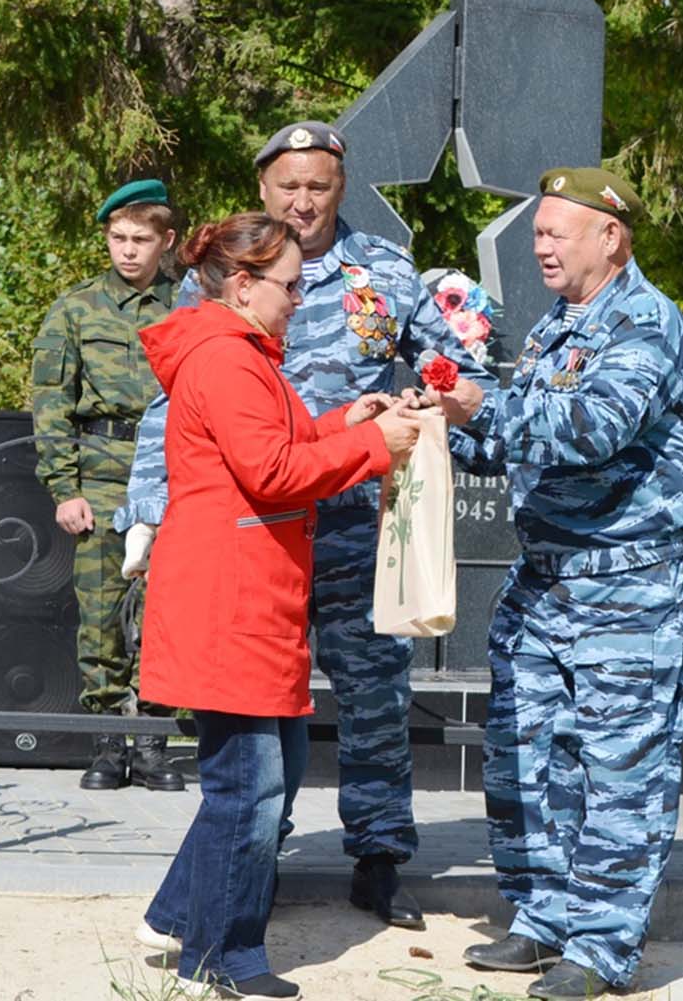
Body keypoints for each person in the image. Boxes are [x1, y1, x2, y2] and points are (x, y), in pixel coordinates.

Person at [117, 121, 494, 927]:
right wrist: (149, 506)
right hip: (256, 528)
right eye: (289, 185)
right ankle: (257, 855)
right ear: (264, 189)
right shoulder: (230, 269)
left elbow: (451, 363)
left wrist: (440, 398)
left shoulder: (384, 271)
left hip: (356, 522)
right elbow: (172, 398)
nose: (303, 200)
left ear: (340, 186)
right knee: (261, 710)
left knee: (375, 694)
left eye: (318, 185)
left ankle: (381, 855)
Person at [133, 212, 425, 1000]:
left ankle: (173, 914)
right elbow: (270, 472)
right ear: (243, 285)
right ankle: (222, 955)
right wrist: (374, 449)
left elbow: (282, 448)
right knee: (251, 785)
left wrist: (347, 421)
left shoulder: (245, 356)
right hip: (232, 602)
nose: (301, 299)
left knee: (273, 768)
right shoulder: (228, 362)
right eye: (290, 286)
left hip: (252, 597)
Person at [458, 167, 683, 1000]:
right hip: (546, 585)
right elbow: (510, 442)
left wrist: (480, 409)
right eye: (536, 231)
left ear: (610, 236)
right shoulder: (554, 328)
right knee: (530, 757)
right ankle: (542, 919)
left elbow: (592, 429)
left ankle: (602, 947)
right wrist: (427, 427)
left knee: (619, 769)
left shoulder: (646, 323)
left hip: (630, 588)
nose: (539, 244)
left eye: (554, 231)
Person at [30, 179, 182, 792]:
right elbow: (49, 403)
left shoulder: (190, 307)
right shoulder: (76, 308)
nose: (127, 251)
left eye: (141, 239)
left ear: (165, 241)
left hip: (171, 475)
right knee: (98, 614)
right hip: (97, 472)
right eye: (117, 238)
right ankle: (107, 746)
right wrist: (64, 487)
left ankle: (152, 743)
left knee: (163, 611)